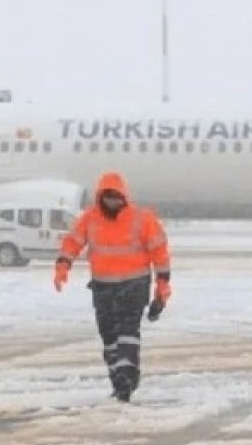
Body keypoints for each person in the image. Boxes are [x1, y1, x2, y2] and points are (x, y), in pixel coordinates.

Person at [54, 171, 172, 402]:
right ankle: (118, 378)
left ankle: (126, 377)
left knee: (127, 334)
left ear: (124, 197)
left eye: (116, 198)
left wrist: (162, 286)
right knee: (109, 338)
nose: (112, 203)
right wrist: (63, 265)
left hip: (134, 286)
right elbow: (73, 242)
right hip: (103, 288)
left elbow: (160, 253)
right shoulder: (90, 219)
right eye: (108, 198)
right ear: (101, 198)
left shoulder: (142, 219)